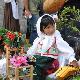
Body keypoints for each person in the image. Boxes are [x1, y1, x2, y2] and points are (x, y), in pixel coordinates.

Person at [27, 14, 78, 80]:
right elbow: (33, 50)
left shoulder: (56, 37)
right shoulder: (40, 39)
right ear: (42, 30)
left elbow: (65, 49)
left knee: (36, 62)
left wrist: (72, 59)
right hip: (40, 59)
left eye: (53, 26)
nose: (51, 29)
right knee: (30, 61)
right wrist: (28, 56)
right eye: (48, 27)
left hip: (51, 62)